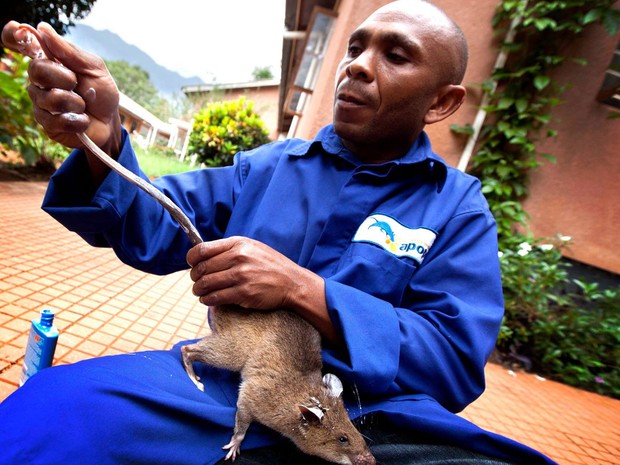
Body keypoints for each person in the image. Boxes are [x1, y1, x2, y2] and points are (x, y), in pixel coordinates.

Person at [0, 1, 556, 464]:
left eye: (396, 55)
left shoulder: (457, 210)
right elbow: (150, 224)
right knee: (49, 413)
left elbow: (452, 361)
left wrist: (302, 290)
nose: (358, 66)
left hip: (374, 425)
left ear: (442, 101)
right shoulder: (266, 169)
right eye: (356, 47)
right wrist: (106, 140)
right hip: (222, 392)